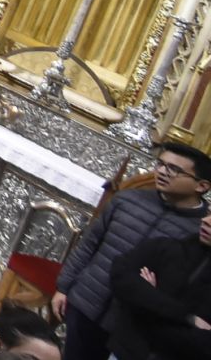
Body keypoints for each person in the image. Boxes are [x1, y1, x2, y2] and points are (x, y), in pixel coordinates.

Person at [56, 142, 211, 360]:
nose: (162, 172)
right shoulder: (127, 200)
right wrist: (64, 287)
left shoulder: (200, 232)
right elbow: (89, 244)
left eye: (174, 169)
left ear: (202, 186)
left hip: (135, 329)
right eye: (161, 164)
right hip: (86, 304)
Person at [107, 208, 211, 360]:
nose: (206, 220)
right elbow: (120, 277)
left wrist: (149, 300)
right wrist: (187, 318)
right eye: (208, 213)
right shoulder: (167, 248)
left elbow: (204, 345)